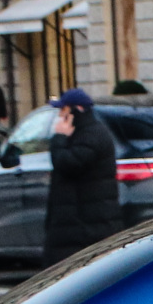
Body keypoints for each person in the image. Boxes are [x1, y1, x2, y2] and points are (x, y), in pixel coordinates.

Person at [41, 87, 122, 264]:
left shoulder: (91, 135)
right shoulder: (79, 134)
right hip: (74, 226)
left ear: (76, 111)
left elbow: (68, 164)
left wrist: (59, 138)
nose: (60, 115)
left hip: (84, 228)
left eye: (63, 110)